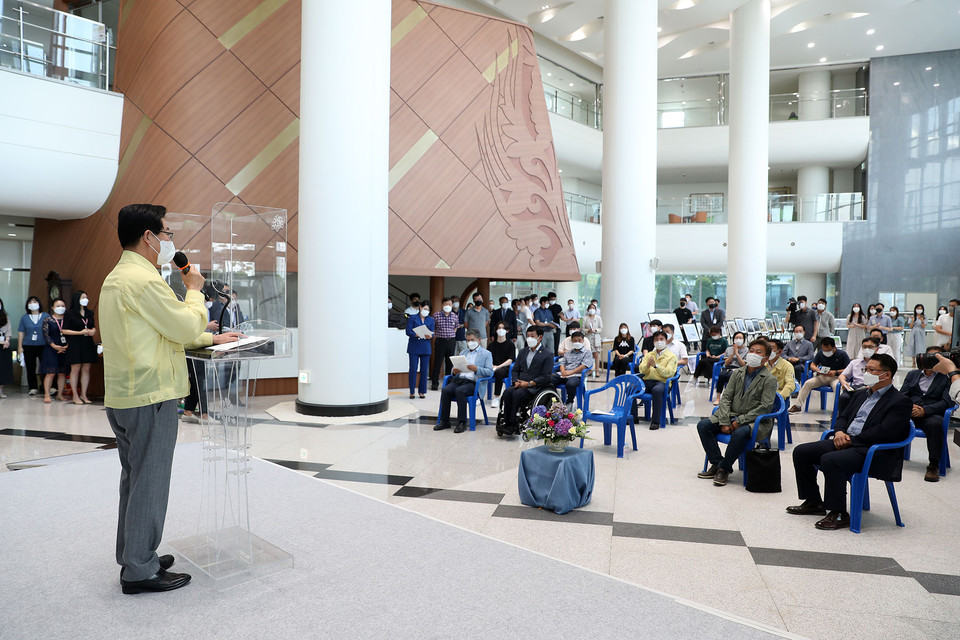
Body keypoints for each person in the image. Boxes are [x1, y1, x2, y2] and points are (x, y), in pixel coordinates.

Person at [100, 203, 241, 594]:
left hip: (128, 394)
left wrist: (211, 338)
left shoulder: (120, 276)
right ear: (148, 237)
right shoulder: (143, 281)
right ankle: (140, 570)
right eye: (166, 234)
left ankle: (135, 554)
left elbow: (159, 330)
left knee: (136, 477)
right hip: (152, 394)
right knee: (150, 481)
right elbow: (180, 325)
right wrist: (195, 292)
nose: (170, 241)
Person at [787, 354, 911, 530]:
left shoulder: (900, 401)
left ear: (887, 375)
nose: (867, 373)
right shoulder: (861, 394)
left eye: (872, 370)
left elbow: (885, 432)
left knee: (831, 460)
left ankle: (838, 512)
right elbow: (843, 417)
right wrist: (838, 432)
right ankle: (813, 502)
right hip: (847, 441)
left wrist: (851, 440)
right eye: (866, 369)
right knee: (802, 452)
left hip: (872, 450)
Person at [697, 339, 778, 487]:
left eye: (758, 352)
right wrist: (725, 421)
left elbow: (765, 407)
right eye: (752, 351)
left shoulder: (770, 379)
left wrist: (739, 421)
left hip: (755, 420)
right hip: (731, 414)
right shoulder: (737, 373)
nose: (753, 354)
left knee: (739, 434)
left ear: (766, 358)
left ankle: (724, 469)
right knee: (703, 426)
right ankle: (717, 463)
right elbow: (726, 398)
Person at [901, 346, 952, 482]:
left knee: (935, 425)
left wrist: (925, 410)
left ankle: (933, 465)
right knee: (890, 417)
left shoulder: (946, 377)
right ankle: (888, 456)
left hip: (932, 414)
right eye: (929, 357)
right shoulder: (913, 374)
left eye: (935, 358)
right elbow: (902, 395)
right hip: (911, 411)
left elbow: (947, 402)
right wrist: (910, 406)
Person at [435, 329, 494, 433]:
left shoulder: (486, 354)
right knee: (446, 390)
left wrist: (477, 369)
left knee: (460, 391)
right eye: (468, 340)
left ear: (479, 340)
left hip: (473, 383)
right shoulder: (463, 352)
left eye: (472, 340)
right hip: (459, 379)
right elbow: (454, 368)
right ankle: (445, 421)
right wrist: (454, 371)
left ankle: (462, 422)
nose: (470, 343)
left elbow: (489, 372)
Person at [498, 326, 553, 436]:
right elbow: (515, 369)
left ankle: (513, 424)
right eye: (527, 336)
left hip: (535, 386)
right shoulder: (523, 352)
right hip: (520, 383)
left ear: (540, 337)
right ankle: (507, 422)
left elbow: (546, 376)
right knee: (507, 392)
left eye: (532, 336)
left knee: (517, 395)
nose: (529, 338)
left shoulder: (547, 354)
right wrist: (515, 382)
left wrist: (528, 384)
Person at [788, 337, 851, 413]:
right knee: (808, 383)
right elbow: (813, 364)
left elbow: (848, 369)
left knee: (837, 388)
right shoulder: (821, 353)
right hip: (823, 376)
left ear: (834, 347)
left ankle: (836, 410)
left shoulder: (842, 354)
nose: (825, 352)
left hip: (836, 377)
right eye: (824, 350)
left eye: (828, 350)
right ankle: (798, 406)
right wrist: (817, 370)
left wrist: (835, 372)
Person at [634, 331, 679, 430]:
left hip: (663, 383)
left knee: (657, 391)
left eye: (661, 339)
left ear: (666, 341)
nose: (659, 341)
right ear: (653, 342)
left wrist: (656, 366)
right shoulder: (649, 354)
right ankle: (633, 417)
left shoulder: (672, 356)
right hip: (648, 381)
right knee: (631, 388)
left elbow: (670, 373)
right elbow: (642, 369)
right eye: (656, 340)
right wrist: (647, 366)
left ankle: (655, 421)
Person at [62, 291, 98, 405]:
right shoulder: (70, 313)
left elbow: (93, 327)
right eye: (83, 297)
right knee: (75, 368)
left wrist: (92, 331)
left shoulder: (89, 312)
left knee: (86, 368)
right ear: (77, 299)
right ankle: (75, 395)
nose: (85, 299)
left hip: (87, 342)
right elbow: (64, 330)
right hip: (75, 342)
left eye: (86, 297)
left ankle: (84, 394)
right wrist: (79, 332)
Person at [837, 337, 880, 414]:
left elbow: (889, 379)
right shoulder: (855, 362)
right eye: (864, 347)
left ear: (876, 349)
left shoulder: (882, 363)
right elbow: (842, 376)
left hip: (874, 389)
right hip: (856, 388)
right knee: (844, 398)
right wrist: (844, 383)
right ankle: (842, 419)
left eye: (870, 347)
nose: (867, 349)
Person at [550, 331, 592, 408]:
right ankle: (557, 400)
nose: (577, 342)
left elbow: (584, 366)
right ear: (572, 341)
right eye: (575, 341)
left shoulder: (587, 353)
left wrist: (570, 373)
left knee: (571, 384)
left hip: (577, 375)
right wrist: (563, 372)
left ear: (583, 341)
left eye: (579, 340)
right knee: (549, 380)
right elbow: (562, 363)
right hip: (564, 374)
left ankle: (569, 402)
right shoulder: (568, 352)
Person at [17, 296, 49, 396]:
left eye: (35, 301)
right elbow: (21, 332)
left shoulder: (45, 316)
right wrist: (19, 347)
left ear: (39, 303)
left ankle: (47, 387)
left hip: (43, 345)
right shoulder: (24, 318)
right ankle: (33, 387)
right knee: (30, 367)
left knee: (46, 367)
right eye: (30, 302)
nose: (33, 303)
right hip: (28, 345)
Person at [41, 298, 69, 404]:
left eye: (62, 306)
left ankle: (60, 394)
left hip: (64, 349)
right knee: (51, 372)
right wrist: (55, 346)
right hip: (51, 349)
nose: (60, 308)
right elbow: (46, 335)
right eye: (58, 306)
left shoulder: (67, 320)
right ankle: (47, 394)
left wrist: (66, 346)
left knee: (62, 373)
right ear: (52, 307)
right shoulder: (48, 320)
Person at [405, 300, 434, 399]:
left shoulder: (430, 320)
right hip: (414, 346)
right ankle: (412, 391)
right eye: (425, 309)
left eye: (428, 310)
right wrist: (417, 334)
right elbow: (408, 331)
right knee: (413, 369)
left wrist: (430, 336)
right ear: (420, 307)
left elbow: (432, 333)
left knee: (424, 370)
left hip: (425, 347)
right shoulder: (413, 318)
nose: (426, 311)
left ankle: (422, 391)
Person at [429, 297, 459, 391]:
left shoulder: (454, 316)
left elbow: (456, 328)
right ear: (442, 305)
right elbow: (432, 328)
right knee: (437, 363)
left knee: (449, 364)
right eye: (446, 304)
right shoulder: (436, 315)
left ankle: (448, 383)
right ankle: (434, 383)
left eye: (449, 304)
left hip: (451, 341)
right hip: (440, 341)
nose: (448, 306)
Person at [715, 331, 749, 405]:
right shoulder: (729, 349)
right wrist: (733, 353)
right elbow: (726, 363)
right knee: (722, 375)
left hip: (740, 368)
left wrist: (737, 354)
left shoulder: (747, 350)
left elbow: (743, 364)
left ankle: (730, 398)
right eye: (736, 338)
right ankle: (718, 397)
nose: (738, 339)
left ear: (744, 340)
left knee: (732, 376)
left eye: (740, 338)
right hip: (729, 367)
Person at [489, 321, 516, 409]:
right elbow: (487, 357)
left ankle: (496, 397)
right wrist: (492, 365)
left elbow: (510, 360)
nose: (501, 330)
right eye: (499, 328)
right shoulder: (491, 345)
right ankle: (478, 395)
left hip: (504, 368)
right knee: (480, 371)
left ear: (507, 330)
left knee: (499, 373)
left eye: (503, 328)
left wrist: (498, 367)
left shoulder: (510, 345)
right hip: (492, 367)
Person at [583, 303, 603, 377]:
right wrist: (588, 330)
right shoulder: (585, 318)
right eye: (590, 308)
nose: (592, 310)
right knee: (588, 356)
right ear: (588, 310)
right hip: (588, 338)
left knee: (596, 355)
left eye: (593, 308)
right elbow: (582, 329)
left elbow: (601, 328)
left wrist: (596, 330)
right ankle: (589, 370)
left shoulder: (598, 318)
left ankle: (597, 370)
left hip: (596, 338)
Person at [0, 298, 12, 398]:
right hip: (1, 342)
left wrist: (7, 340)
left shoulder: (5, 317)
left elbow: (9, 330)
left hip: (4, 346)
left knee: (3, 369)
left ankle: (0, 391)